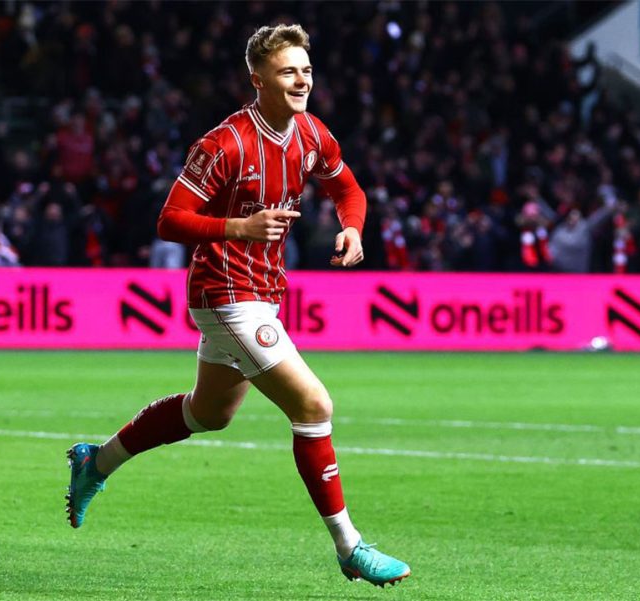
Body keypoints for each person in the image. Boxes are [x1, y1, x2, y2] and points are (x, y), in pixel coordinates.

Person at [65, 25, 411, 588]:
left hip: (265, 292)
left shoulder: (311, 135)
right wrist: (239, 226)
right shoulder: (223, 144)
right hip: (224, 292)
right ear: (258, 80)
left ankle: (94, 462)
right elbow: (170, 219)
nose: (302, 80)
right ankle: (350, 546)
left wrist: (353, 227)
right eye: (288, 71)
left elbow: (349, 188)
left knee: (209, 413)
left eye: (306, 70)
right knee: (313, 404)